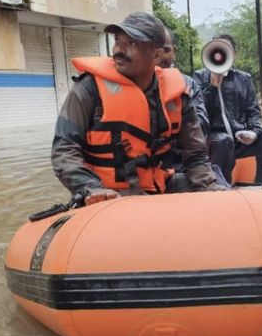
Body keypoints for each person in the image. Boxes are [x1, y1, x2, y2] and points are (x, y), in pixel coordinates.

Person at [51, 12, 223, 203]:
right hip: (106, 194)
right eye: (118, 41)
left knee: (216, 184)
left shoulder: (178, 94)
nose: (119, 50)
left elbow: (196, 154)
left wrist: (209, 187)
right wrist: (90, 188)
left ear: (156, 54)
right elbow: (64, 150)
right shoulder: (88, 88)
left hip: (159, 188)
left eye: (132, 43)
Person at [192, 34, 262, 188]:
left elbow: (254, 111)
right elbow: (199, 114)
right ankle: (221, 189)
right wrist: (212, 87)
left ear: (234, 55)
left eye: (226, 50)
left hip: (240, 137)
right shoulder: (199, 76)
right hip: (215, 140)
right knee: (222, 140)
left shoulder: (244, 78)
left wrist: (254, 132)